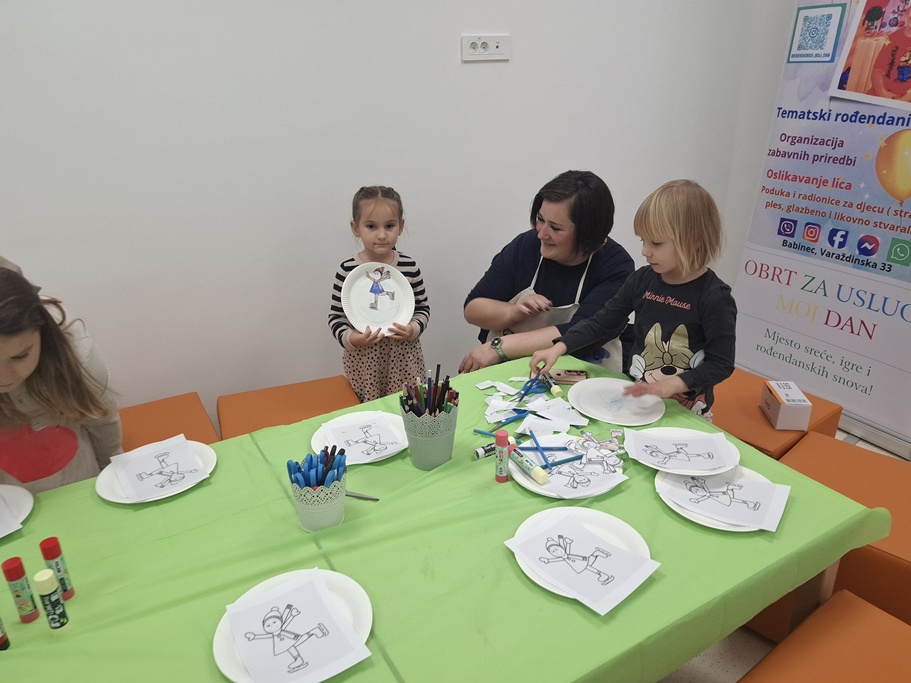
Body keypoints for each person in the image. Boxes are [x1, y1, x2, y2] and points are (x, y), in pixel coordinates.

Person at [530, 179, 737, 418]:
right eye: (643, 240)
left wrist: (676, 383)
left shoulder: (714, 298)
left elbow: (721, 364)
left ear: (694, 241)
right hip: (640, 401)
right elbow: (602, 322)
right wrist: (560, 347)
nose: (645, 251)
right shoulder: (642, 280)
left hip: (685, 411)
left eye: (656, 243)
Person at [459, 170, 635, 374]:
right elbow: (473, 309)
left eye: (556, 228)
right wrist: (512, 312)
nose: (541, 234)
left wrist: (498, 348)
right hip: (512, 375)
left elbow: (585, 332)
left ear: (588, 233)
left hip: (581, 379)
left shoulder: (615, 265)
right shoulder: (525, 246)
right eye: (540, 219)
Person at [0, 266, 122, 493]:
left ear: (42, 333)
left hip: (82, 485)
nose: (4, 378)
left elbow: (102, 420)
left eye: (20, 356)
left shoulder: (77, 354)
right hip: (9, 502)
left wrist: (113, 475)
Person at [328, 185, 430, 402]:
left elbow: (422, 309)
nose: (382, 235)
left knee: (406, 408)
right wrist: (352, 338)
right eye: (371, 226)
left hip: (403, 360)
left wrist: (413, 329)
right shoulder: (348, 271)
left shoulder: (410, 267)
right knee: (369, 412)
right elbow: (336, 317)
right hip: (365, 362)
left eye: (390, 226)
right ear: (356, 228)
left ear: (401, 226)